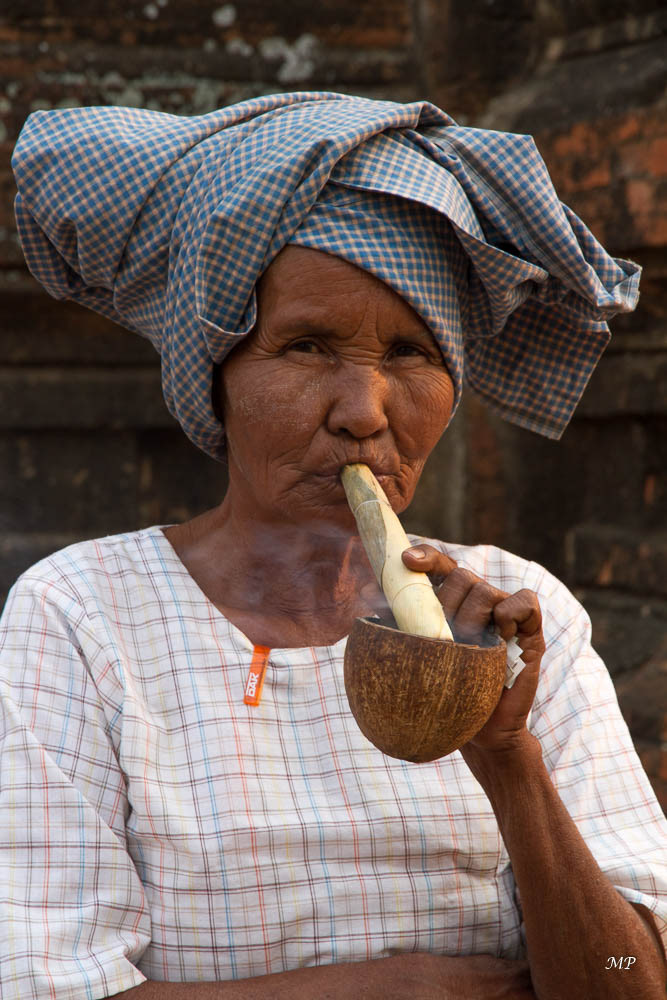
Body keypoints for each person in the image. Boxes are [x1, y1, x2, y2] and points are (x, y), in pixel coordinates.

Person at [2, 91, 665, 1000]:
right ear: (215, 373)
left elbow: (630, 982)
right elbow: (45, 985)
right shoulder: (83, 611)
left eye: (410, 354)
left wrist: (507, 759)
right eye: (306, 345)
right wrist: (389, 990)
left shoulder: (512, 611)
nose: (363, 413)